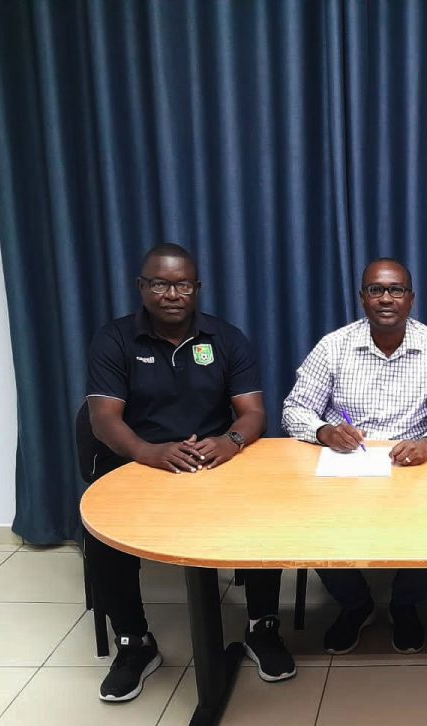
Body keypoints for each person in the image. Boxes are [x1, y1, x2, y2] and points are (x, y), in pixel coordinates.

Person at [85, 242, 294, 701]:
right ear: (142, 287)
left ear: (197, 288)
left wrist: (230, 442)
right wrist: (150, 452)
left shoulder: (225, 338)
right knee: (102, 537)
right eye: (159, 283)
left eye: (182, 284)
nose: (171, 293)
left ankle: (263, 627)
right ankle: (135, 643)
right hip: (139, 461)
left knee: (269, 516)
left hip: (214, 461)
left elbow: (253, 413)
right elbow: (103, 419)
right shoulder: (115, 339)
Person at [282, 258, 427, 654]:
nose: (386, 298)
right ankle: (356, 604)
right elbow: (294, 409)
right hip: (346, 463)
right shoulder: (334, 346)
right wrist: (324, 431)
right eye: (376, 290)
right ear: (362, 298)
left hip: (411, 465)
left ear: (411, 299)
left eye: (396, 290)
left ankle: (405, 606)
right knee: (310, 521)